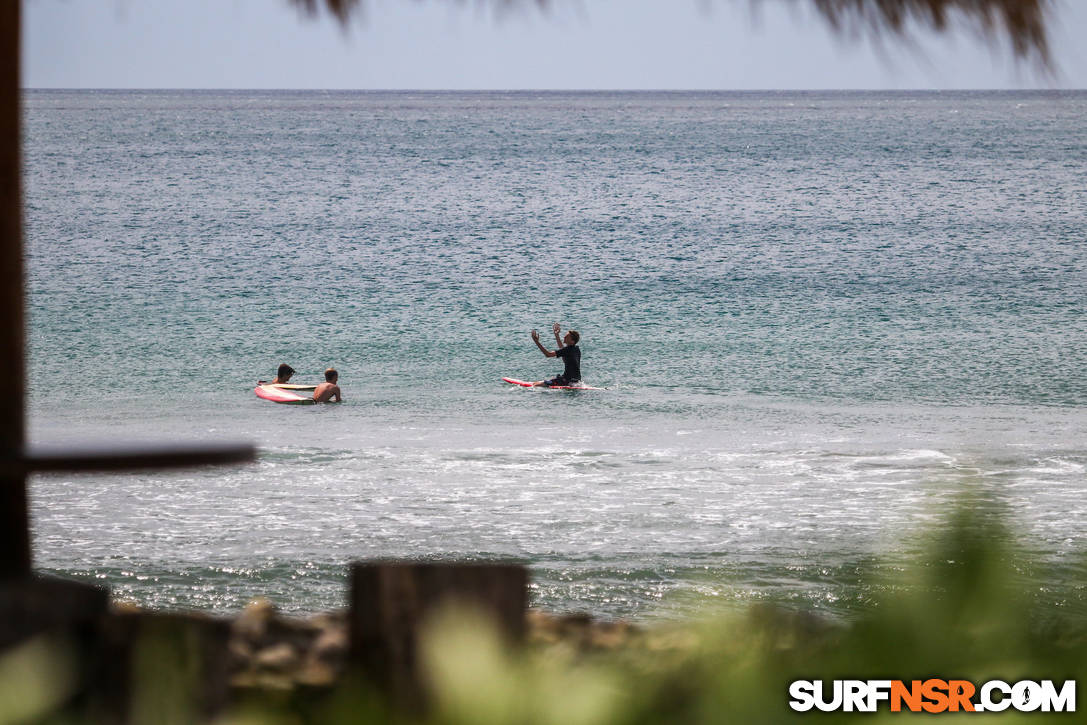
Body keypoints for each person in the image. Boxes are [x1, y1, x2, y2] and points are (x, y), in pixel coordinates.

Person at [530, 322, 581, 387]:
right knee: (543, 382)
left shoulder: (567, 350)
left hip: (566, 381)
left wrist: (536, 341)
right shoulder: (576, 349)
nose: (564, 336)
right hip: (576, 380)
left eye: (567, 336)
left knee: (535, 385)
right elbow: (563, 351)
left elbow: (548, 354)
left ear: (572, 341)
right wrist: (556, 335)